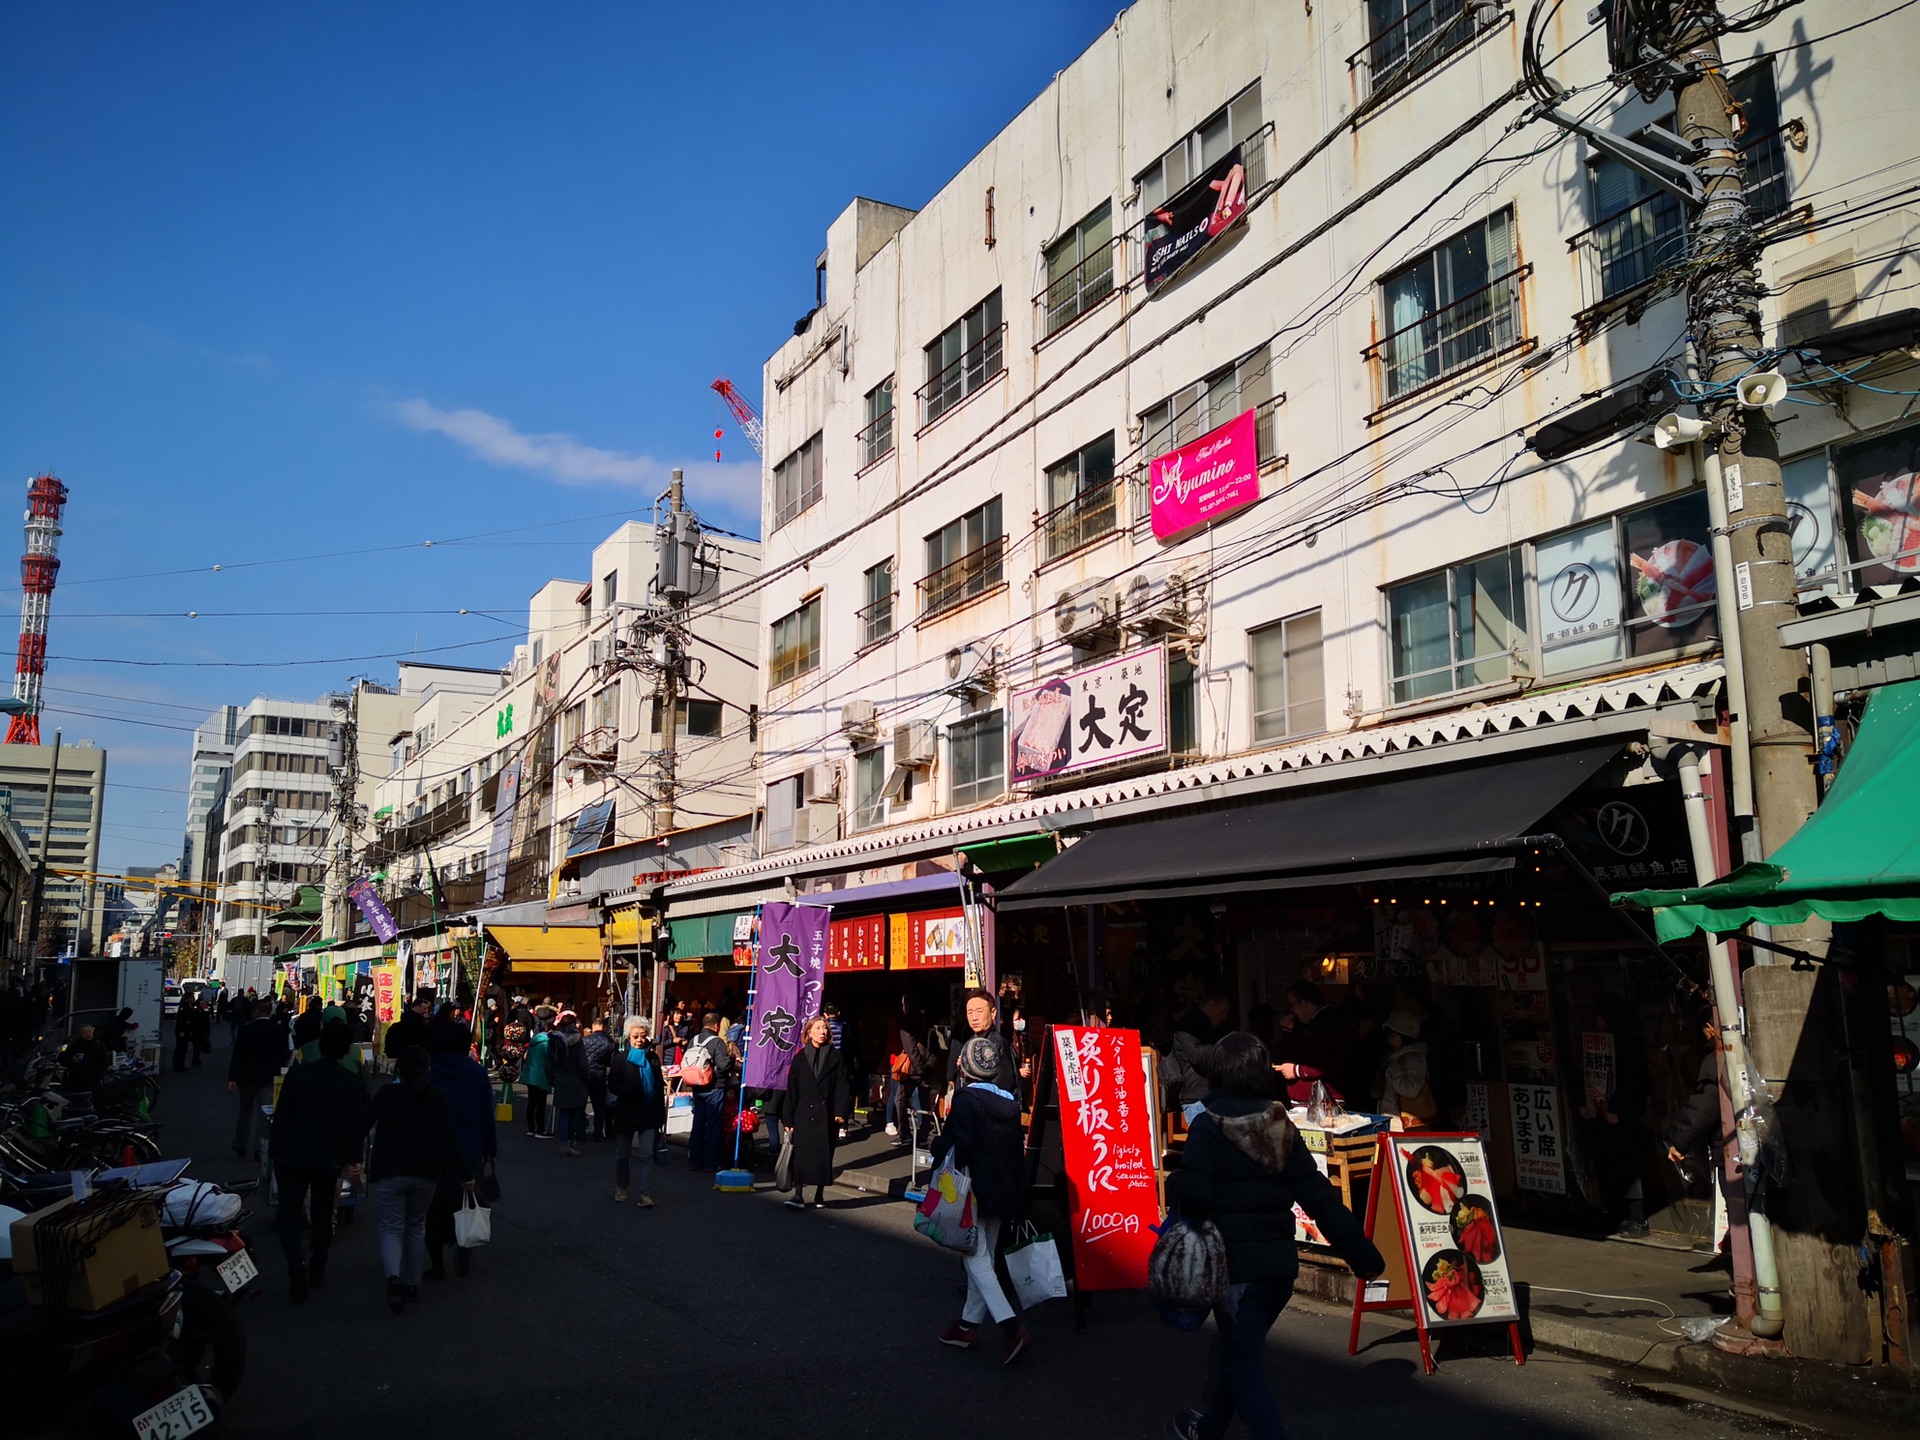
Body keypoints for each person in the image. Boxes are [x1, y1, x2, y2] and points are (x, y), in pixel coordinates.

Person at [1165, 1033, 1385, 1440]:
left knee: (1244, 1367)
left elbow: (1194, 1198)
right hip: (1279, 1269)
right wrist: (1363, 1253)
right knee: (1237, 1354)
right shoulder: (1279, 1122)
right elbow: (1318, 1196)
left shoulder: (1208, 1126)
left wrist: (1179, 1180)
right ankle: (1209, 1428)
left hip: (1233, 1271)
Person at [931, 1036, 1031, 1364]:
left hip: (971, 1191)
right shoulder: (1010, 1104)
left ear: (966, 1066)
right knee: (984, 1254)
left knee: (975, 1258)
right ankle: (966, 1326)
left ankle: (1011, 1327)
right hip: (1002, 1190)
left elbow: (958, 1147)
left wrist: (936, 1147)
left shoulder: (965, 1101)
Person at [358, 1044, 464, 1314]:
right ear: (428, 1069)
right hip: (426, 1171)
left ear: (398, 1069)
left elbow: (362, 1125)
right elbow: (449, 1139)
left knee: (391, 1228)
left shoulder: (387, 1094)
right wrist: (464, 1173)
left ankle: (393, 1277)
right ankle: (411, 1283)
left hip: (390, 1170)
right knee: (416, 1226)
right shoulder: (438, 1096)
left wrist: (348, 1156)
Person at [268, 1019, 365, 1301]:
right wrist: (354, 1159)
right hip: (328, 1157)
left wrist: (274, 1152)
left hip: (292, 1153)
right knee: (324, 1215)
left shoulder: (299, 1074)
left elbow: (282, 1115)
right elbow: (354, 1125)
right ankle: (317, 1268)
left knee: (289, 1213)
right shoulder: (349, 1081)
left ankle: (296, 1263)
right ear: (346, 1049)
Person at [426, 1020, 496, 1279]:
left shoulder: (428, 1070)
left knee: (432, 1207)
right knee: (464, 1200)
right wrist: (490, 1148)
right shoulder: (476, 1073)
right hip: (469, 1147)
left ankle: (436, 1263)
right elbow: (486, 1115)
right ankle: (463, 1245)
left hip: (432, 1149)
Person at [1582, 994, 1652, 1238]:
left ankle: (1638, 1219)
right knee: (1616, 1166)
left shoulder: (1624, 1045)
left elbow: (1633, 1083)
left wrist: (1618, 1110)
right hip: (1612, 1114)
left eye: (1599, 1016)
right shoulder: (1615, 1043)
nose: (1596, 1021)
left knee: (1627, 1167)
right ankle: (1624, 1216)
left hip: (1624, 1116)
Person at [778, 1015, 850, 1211]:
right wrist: (788, 1117)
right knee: (800, 1154)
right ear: (808, 1032)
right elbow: (792, 1089)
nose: (822, 1032)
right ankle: (798, 1194)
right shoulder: (800, 1058)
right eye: (818, 1028)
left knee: (823, 1154)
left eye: (825, 1028)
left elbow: (842, 1087)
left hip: (826, 1114)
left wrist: (840, 1111)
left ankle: (819, 1193)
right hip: (803, 1113)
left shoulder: (835, 1057)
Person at [607, 1016, 666, 1206]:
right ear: (628, 1037)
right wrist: (632, 1089)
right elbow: (613, 1085)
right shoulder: (620, 1058)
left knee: (647, 1154)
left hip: (649, 1113)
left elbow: (658, 1087)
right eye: (635, 1036)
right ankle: (622, 1187)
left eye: (642, 1036)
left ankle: (644, 1194)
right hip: (627, 1111)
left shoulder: (653, 1058)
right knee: (623, 1154)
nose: (639, 1040)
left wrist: (661, 1115)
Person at [1273, 981, 1357, 1105]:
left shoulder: (1329, 1024)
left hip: (1323, 1101)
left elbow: (1330, 1062)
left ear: (1304, 1003)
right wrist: (1289, 1030)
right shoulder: (1311, 1023)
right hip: (1312, 1099)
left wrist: (1297, 1070)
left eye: (1292, 1005)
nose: (1291, 1010)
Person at [228, 999, 289, 1156]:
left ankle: (241, 1144)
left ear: (257, 1011)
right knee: (266, 1114)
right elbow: (284, 1054)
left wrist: (233, 1078)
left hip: (247, 1077)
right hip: (269, 1077)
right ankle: (260, 1148)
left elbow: (238, 1055)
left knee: (245, 1112)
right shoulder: (277, 1030)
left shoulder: (246, 1030)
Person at [1166, 990, 1231, 1124]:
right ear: (1211, 1005)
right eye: (1222, 1011)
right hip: (1196, 1098)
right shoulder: (1189, 1025)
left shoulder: (1206, 1025)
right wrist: (1224, 1049)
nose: (1224, 1017)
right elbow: (1195, 1054)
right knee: (1206, 1141)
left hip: (1209, 1095)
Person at [682, 1012, 733, 1173]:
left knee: (698, 1124)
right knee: (713, 1125)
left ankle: (694, 1161)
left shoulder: (693, 1040)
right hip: (714, 1087)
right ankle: (710, 1163)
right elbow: (723, 1066)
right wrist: (731, 1060)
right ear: (716, 1026)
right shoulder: (717, 1042)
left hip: (697, 1086)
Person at [1374, 1010, 1437, 1130]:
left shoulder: (1412, 1058)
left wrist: (1393, 1069)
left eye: (1393, 1036)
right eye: (1388, 1036)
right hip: (1398, 1125)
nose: (1390, 1040)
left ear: (1405, 1035)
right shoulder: (1399, 1057)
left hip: (1404, 1127)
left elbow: (1410, 1090)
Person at [955, 989, 1018, 1093]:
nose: (974, 1018)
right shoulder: (971, 1040)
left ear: (993, 1013)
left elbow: (1004, 1085)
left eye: (979, 1012)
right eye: (970, 1012)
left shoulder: (997, 1043)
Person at [548, 1010, 590, 1156]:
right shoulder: (577, 1041)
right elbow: (583, 1063)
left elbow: (549, 1062)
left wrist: (551, 1079)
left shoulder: (554, 1040)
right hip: (576, 1080)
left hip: (560, 1078)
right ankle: (570, 1142)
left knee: (563, 1113)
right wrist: (586, 1079)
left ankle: (563, 1142)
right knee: (575, 1112)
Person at [886, 1022, 930, 1146]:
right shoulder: (925, 1028)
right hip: (913, 1068)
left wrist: (920, 1069)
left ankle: (903, 1131)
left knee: (899, 1098)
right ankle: (921, 1131)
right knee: (917, 1098)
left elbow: (908, 1049)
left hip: (908, 1068)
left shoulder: (904, 1027)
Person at [583, 1016, 614, 1142]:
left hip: (584, 1075)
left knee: (581, 1105)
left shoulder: (584, 1040)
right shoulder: (610, 1042)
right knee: (599, 1107)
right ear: (604, 1027)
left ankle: (580, 1132)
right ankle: (598, 1133)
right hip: (600, 1076)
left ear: (593, 1026)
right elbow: (612, 1063)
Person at [58, 1024, 112, 1096]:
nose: (88, 1034)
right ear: (80, 1034)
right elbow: (62, 1060)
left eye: (89, 1032)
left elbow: (104, 1062)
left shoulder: (99, 1046)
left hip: (93, 1080)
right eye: (85, 1032)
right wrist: (71, 1059)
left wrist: (100, 1076)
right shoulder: (74, 1046)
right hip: (76, 1080)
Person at [521, 1017, 552, 1138]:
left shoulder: (533, 1042)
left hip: (530, 1074)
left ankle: (531, 1128)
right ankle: (541, 1129)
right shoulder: (547, 1043)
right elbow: (549, 1060)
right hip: (540, 1075)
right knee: (541, 1104)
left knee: (531, 1102)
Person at [382, 992, 431, 1059]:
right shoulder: (420, 1025)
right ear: (417, 1007)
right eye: (424, 1008)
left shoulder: (396, 1026)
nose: (426, 1011)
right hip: (414, 1059)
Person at [172, 1001, 195, 1073]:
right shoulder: (183, 1007)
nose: (193, 999)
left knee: (184, 1049)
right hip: (182, 1031)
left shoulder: (189, 1005)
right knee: (179, 1049)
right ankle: (176, 1066)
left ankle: (181, 1065)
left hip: (186, 1031)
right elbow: (180, 1020)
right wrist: (180, 1031)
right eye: (192, 997)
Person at [189, 998, 213, 1066]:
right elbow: (191, 1023)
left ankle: (195, 1060)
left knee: (199, 1048)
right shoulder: (194, 1012)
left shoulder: (205, 1013)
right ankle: (196, 1061)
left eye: (203, 1004)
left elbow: (207, 1024)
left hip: (202, 1033)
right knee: (196, 1047)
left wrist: (208, 1033)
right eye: (201, 1004)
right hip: (195, 1032)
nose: (202, 1005)